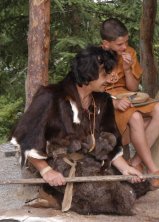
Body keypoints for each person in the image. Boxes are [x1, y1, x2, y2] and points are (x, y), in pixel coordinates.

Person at [11, 46, 150, 215]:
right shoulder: (50, 96)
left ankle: (66, 196)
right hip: (58, 162)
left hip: (90, 160)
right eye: (105, 74)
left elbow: (108, 139)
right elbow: (25, 138)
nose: (110, 79)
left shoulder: (103, 100)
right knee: (112, 198)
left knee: (139, 182)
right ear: (88, 74)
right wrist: (46, 171)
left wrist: (124, 168)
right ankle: (51, 194)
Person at [100, 18, 159, 189]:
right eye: (119, 44)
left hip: (128, 95)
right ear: (106, 44)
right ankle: (153, 170)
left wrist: (126, 69)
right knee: (137, 118)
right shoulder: (97, 58)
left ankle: (136, 162)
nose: (124, 47)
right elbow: (93, 91)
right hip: (107, 100)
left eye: (126, 42)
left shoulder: (129, 53)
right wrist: (115, 102)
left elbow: (131, 86)